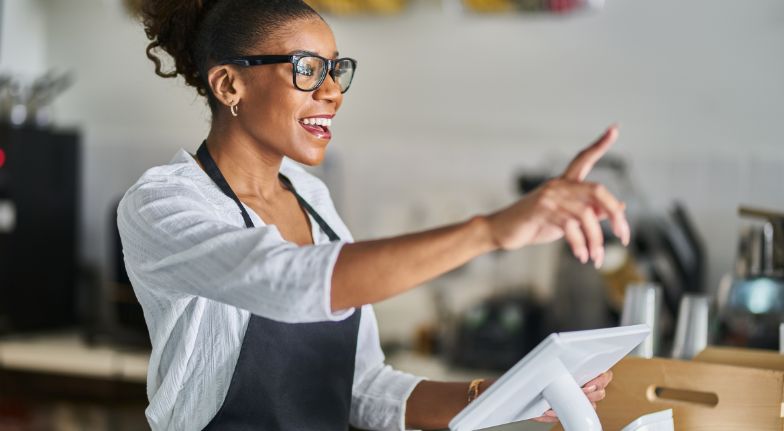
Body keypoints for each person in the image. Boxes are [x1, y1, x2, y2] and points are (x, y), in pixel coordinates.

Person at [118, 0, 629, 430]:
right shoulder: (162, 204)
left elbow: (364, 387)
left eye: (335, 69)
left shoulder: (312, 201)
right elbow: (287, 283)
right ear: (230, 85)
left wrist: (512, 394)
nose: (333, 91)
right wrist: (490, 231)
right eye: (306, 68)